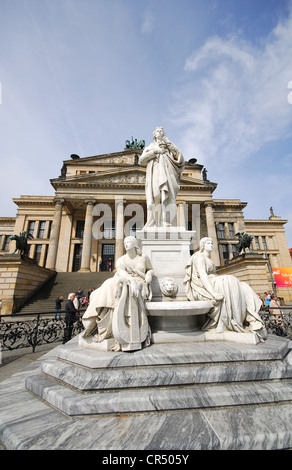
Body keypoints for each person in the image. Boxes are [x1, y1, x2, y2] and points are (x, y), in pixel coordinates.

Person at [184, 237, 266, 339]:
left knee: (244, 286)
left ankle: (251, 319)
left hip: (215, 280)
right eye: (208, 243)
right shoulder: (199, 256)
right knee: (229, 280)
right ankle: (235, 320)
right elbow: (203, 275)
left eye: (212, 243)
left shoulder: (208, 259)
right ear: (202, 245)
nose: (211, 245)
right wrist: (213, 293)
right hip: (207, 284)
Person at [82, 236, 154, 351]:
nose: (125, 244)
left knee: (115, 286)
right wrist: (131, 280)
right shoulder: (121, 260)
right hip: (126, 280)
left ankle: (110, 324)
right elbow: (121, 272)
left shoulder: (143, 257)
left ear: (135, 244)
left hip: (140, 282)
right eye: (124, 242)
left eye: (128, 242)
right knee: (109, 284)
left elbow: (150, 269)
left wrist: (149, 274)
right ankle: (100, 321)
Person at [139, 127, 185, 227]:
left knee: (169, 197)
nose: (160, 132)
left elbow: (180, 158)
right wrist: (155, 151)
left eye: (162, 131)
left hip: (169, 172)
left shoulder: (169, 146)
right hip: (155, 171)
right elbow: (141, 160)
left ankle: (165, 220)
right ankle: (155, 222)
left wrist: (168, 144)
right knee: (156, 195)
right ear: (154, 135)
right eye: (157, 131)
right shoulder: (151, 146)